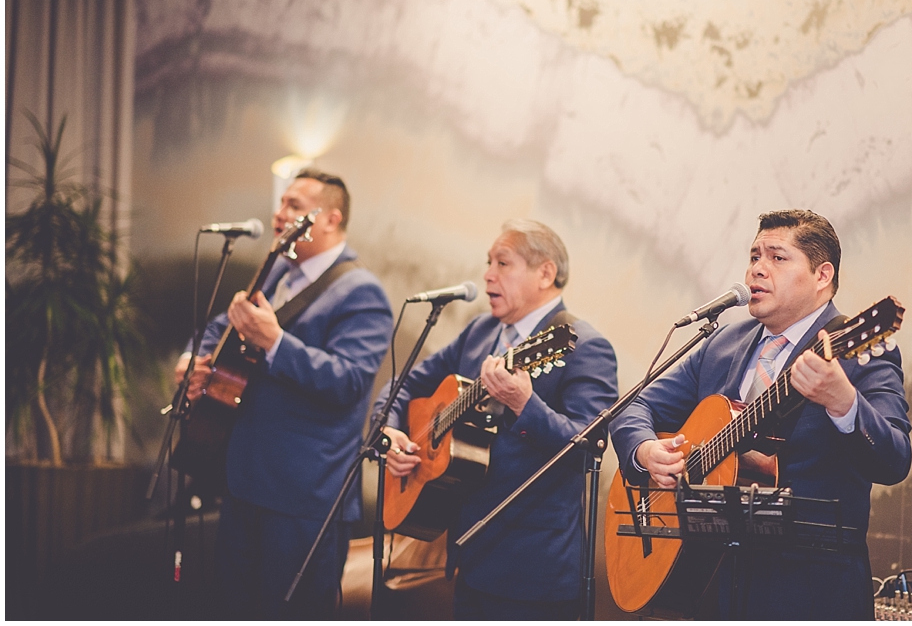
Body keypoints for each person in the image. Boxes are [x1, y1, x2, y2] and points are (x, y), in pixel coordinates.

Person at [609, 209, 911, 619]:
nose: (757, 270)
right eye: (754, 256)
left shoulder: (860, 353)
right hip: (712, 584)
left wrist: (845, 403)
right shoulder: (722, 344)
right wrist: (645, 451)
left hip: (810, 592)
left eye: (777, 257)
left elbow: (894, 459)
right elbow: (633, 407)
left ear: (822, 276)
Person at [373, 219, 618, 619]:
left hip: (533, 570)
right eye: (488, 262)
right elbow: (406, 383)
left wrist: (526, 404)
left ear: (545, 273)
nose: (487, 274)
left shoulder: (585, 346)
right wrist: (391, 431)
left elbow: (587, 450)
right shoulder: (481, 331)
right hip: (469, 558)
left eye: (503, 263)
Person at [176, 169, 394, 618]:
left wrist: (276, 343)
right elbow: (221, 325)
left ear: (331, 219)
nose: (280, 214)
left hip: (304, 496)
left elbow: (350, 382)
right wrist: (191, 359)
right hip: (243, 482)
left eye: (295, 206)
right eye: (282, 204)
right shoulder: (277, 272)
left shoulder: (362, 292)